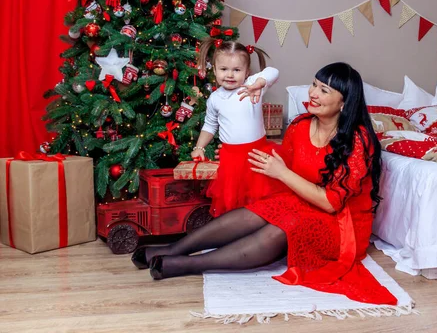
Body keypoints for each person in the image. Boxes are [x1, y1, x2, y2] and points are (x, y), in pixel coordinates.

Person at [132, 62, 397, 306]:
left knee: (285, 225)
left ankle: (185, 265)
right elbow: (285, 163)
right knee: (262, 210)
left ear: (343, 102)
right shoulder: (301, 126)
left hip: (342, 222)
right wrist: (232, 153)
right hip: (306, 199)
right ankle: (172, 249)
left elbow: (331, 203)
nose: (313, 93)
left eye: (324, 90)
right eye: (314, 84)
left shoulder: (358, 141)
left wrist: (281, 174)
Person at [190, 38, 285, 217]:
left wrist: (259, 82)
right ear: (215, 70)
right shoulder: (215, 99)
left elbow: (274, 71)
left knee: (258, 200)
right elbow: (210, 126)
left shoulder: (253, 86)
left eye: (237, 70)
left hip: (257, 154)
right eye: (224, 69)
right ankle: (234, 234)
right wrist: (199, 147)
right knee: (233, 200)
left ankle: (256, 235)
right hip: (231, 158)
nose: (230, 75)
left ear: (247, 72)